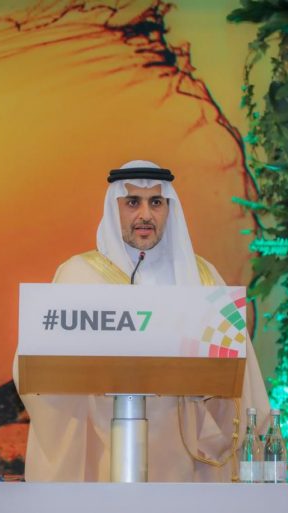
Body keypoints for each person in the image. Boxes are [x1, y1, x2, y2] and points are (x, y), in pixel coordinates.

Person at [14, 160, 270, 481]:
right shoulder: (80, 277)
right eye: (133, 202)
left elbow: (242, 376)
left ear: (169, 209)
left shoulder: (203, 279)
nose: (145, 215)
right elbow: (35, 367)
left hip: (187, 463)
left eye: (156, 202)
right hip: (104, 459)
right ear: (115, 208)